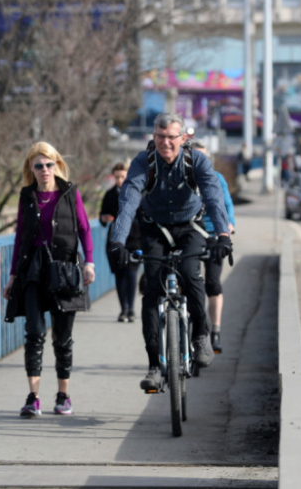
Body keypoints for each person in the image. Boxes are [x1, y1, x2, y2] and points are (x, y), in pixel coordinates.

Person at [108, 113, 232, 392]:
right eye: (161, 137)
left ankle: (201, 336)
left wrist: (223, 234)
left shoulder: (196, 161)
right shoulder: (143, 162)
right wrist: (118, 241)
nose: (166, 143)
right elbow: (128, 202)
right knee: (152, 289)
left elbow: (213, 197)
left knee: (191, 275)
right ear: (154, 137)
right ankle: (153, 366)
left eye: (172, 137)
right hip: (155, 229)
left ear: (183, 138)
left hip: (189, 228)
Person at [3, 141, 95, 417]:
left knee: (63, 339)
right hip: (33, 272)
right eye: (38, 165)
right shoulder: (27, 196)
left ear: (57, 165)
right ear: (31, 169)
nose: (44, 170)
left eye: (49, 164)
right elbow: (20, 237)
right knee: (34, 333)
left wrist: (89, 262)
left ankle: (63, 395)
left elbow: (84, 228)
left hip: (65, 270)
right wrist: (12, 276)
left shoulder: (70, 193)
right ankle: (33, 397)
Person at [189, 141, 236, 354]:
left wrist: (229, 226)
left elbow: (226, 205)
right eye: (194, 158)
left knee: (213, 283)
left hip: (213, 234)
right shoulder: (183, 179)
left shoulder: (216, 179)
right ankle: (186, 324)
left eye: (203, 158)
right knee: (185, 279)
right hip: (189, 234)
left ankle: (215, 330)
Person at [99, 162, 141, 323]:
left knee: (131, 274)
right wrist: (105, 218)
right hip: (115, 241)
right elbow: (103, 216)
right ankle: (123, 308)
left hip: (134, 240)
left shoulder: (136, 193)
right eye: (117, 177)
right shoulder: (109, 195)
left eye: (123, 176)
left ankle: (130, 308)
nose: (120, 180)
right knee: (119, 275)